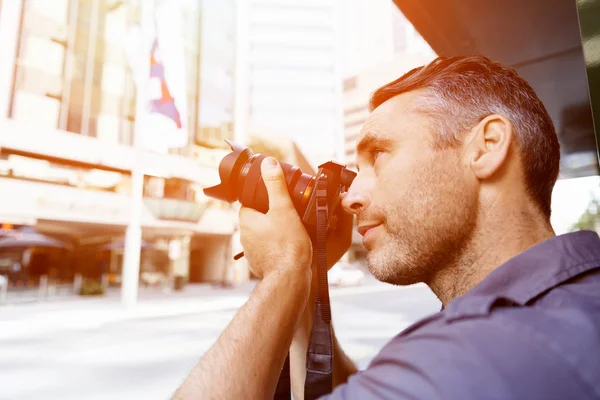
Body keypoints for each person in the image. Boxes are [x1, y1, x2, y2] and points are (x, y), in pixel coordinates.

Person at [171, 55, 600, 399]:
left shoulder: (480, 352)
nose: (351, 196)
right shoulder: (569, 304)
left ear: (486, 148)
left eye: (378, 155)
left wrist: (284, 271)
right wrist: (305, 283)